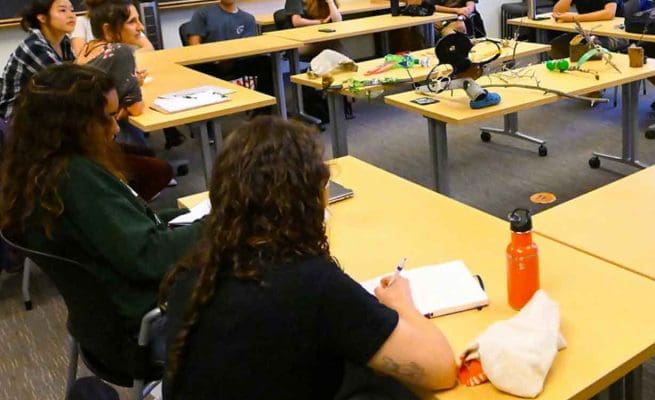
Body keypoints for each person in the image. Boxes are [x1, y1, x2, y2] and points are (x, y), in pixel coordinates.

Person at [160, 117, 457, 399]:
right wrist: (404, 305)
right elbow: (440, 368)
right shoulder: (311, 283)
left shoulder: (197, 267)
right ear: (309, 198)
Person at [0, 64, 202, 372]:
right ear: (73, 124)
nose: (116, 128)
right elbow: (147, 257)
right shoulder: (75, 180)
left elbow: (126, 230)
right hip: (143, 327)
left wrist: (187, 215)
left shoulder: (39, 170)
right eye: (107, 117)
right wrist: (220, 221)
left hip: (102, 326)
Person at [76, 0, 174, 201]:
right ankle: (128, 207)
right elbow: (137, 108)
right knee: (161, 169)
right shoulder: (120, 52)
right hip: (90, 146)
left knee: (144, 152)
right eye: (132, 22)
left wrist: (126, 94)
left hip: (77, 140)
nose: (140, 27)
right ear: (108, 29)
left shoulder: (88, 48)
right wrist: (125, 103)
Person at [186, 0, 274, 95]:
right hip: (210, 63)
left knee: (267, 64)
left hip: (237, 62)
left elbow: (249, 47)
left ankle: (262, 111)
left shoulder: (247, 19)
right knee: (194, 70)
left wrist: (230, 58)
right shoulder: (203, 13)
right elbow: (194, 45)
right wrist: (215, 58)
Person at [0, 0, 76, 120]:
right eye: (62, 10)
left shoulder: (65, 42)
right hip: (16, 116)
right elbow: (65, 81)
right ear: (42, 18)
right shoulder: (34, 46)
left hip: (44, 107)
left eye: (72, 10)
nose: (71, 15)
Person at [73, 0, 155, 56]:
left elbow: (149, 47)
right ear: (108, 30)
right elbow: (80, 56)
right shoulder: (82, 22)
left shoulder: (127, 15)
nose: (141, 27)